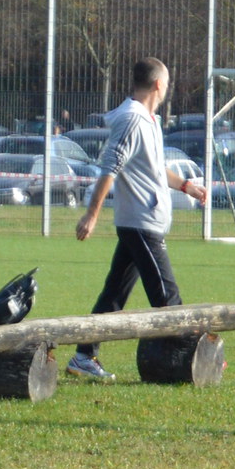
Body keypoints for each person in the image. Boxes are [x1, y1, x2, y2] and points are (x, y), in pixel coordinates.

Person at [67, 56, 212, 383]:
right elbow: (110, 167)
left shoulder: (149, 120)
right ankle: (186, 364)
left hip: (144, 223)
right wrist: (91, 215)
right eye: (168, 83)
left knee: (114, 296)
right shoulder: (132, 119)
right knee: (167, 299)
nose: (168, 89)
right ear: (159, 84)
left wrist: (186, 186)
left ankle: (83, 356)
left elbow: (155, 168)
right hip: (141, 224)